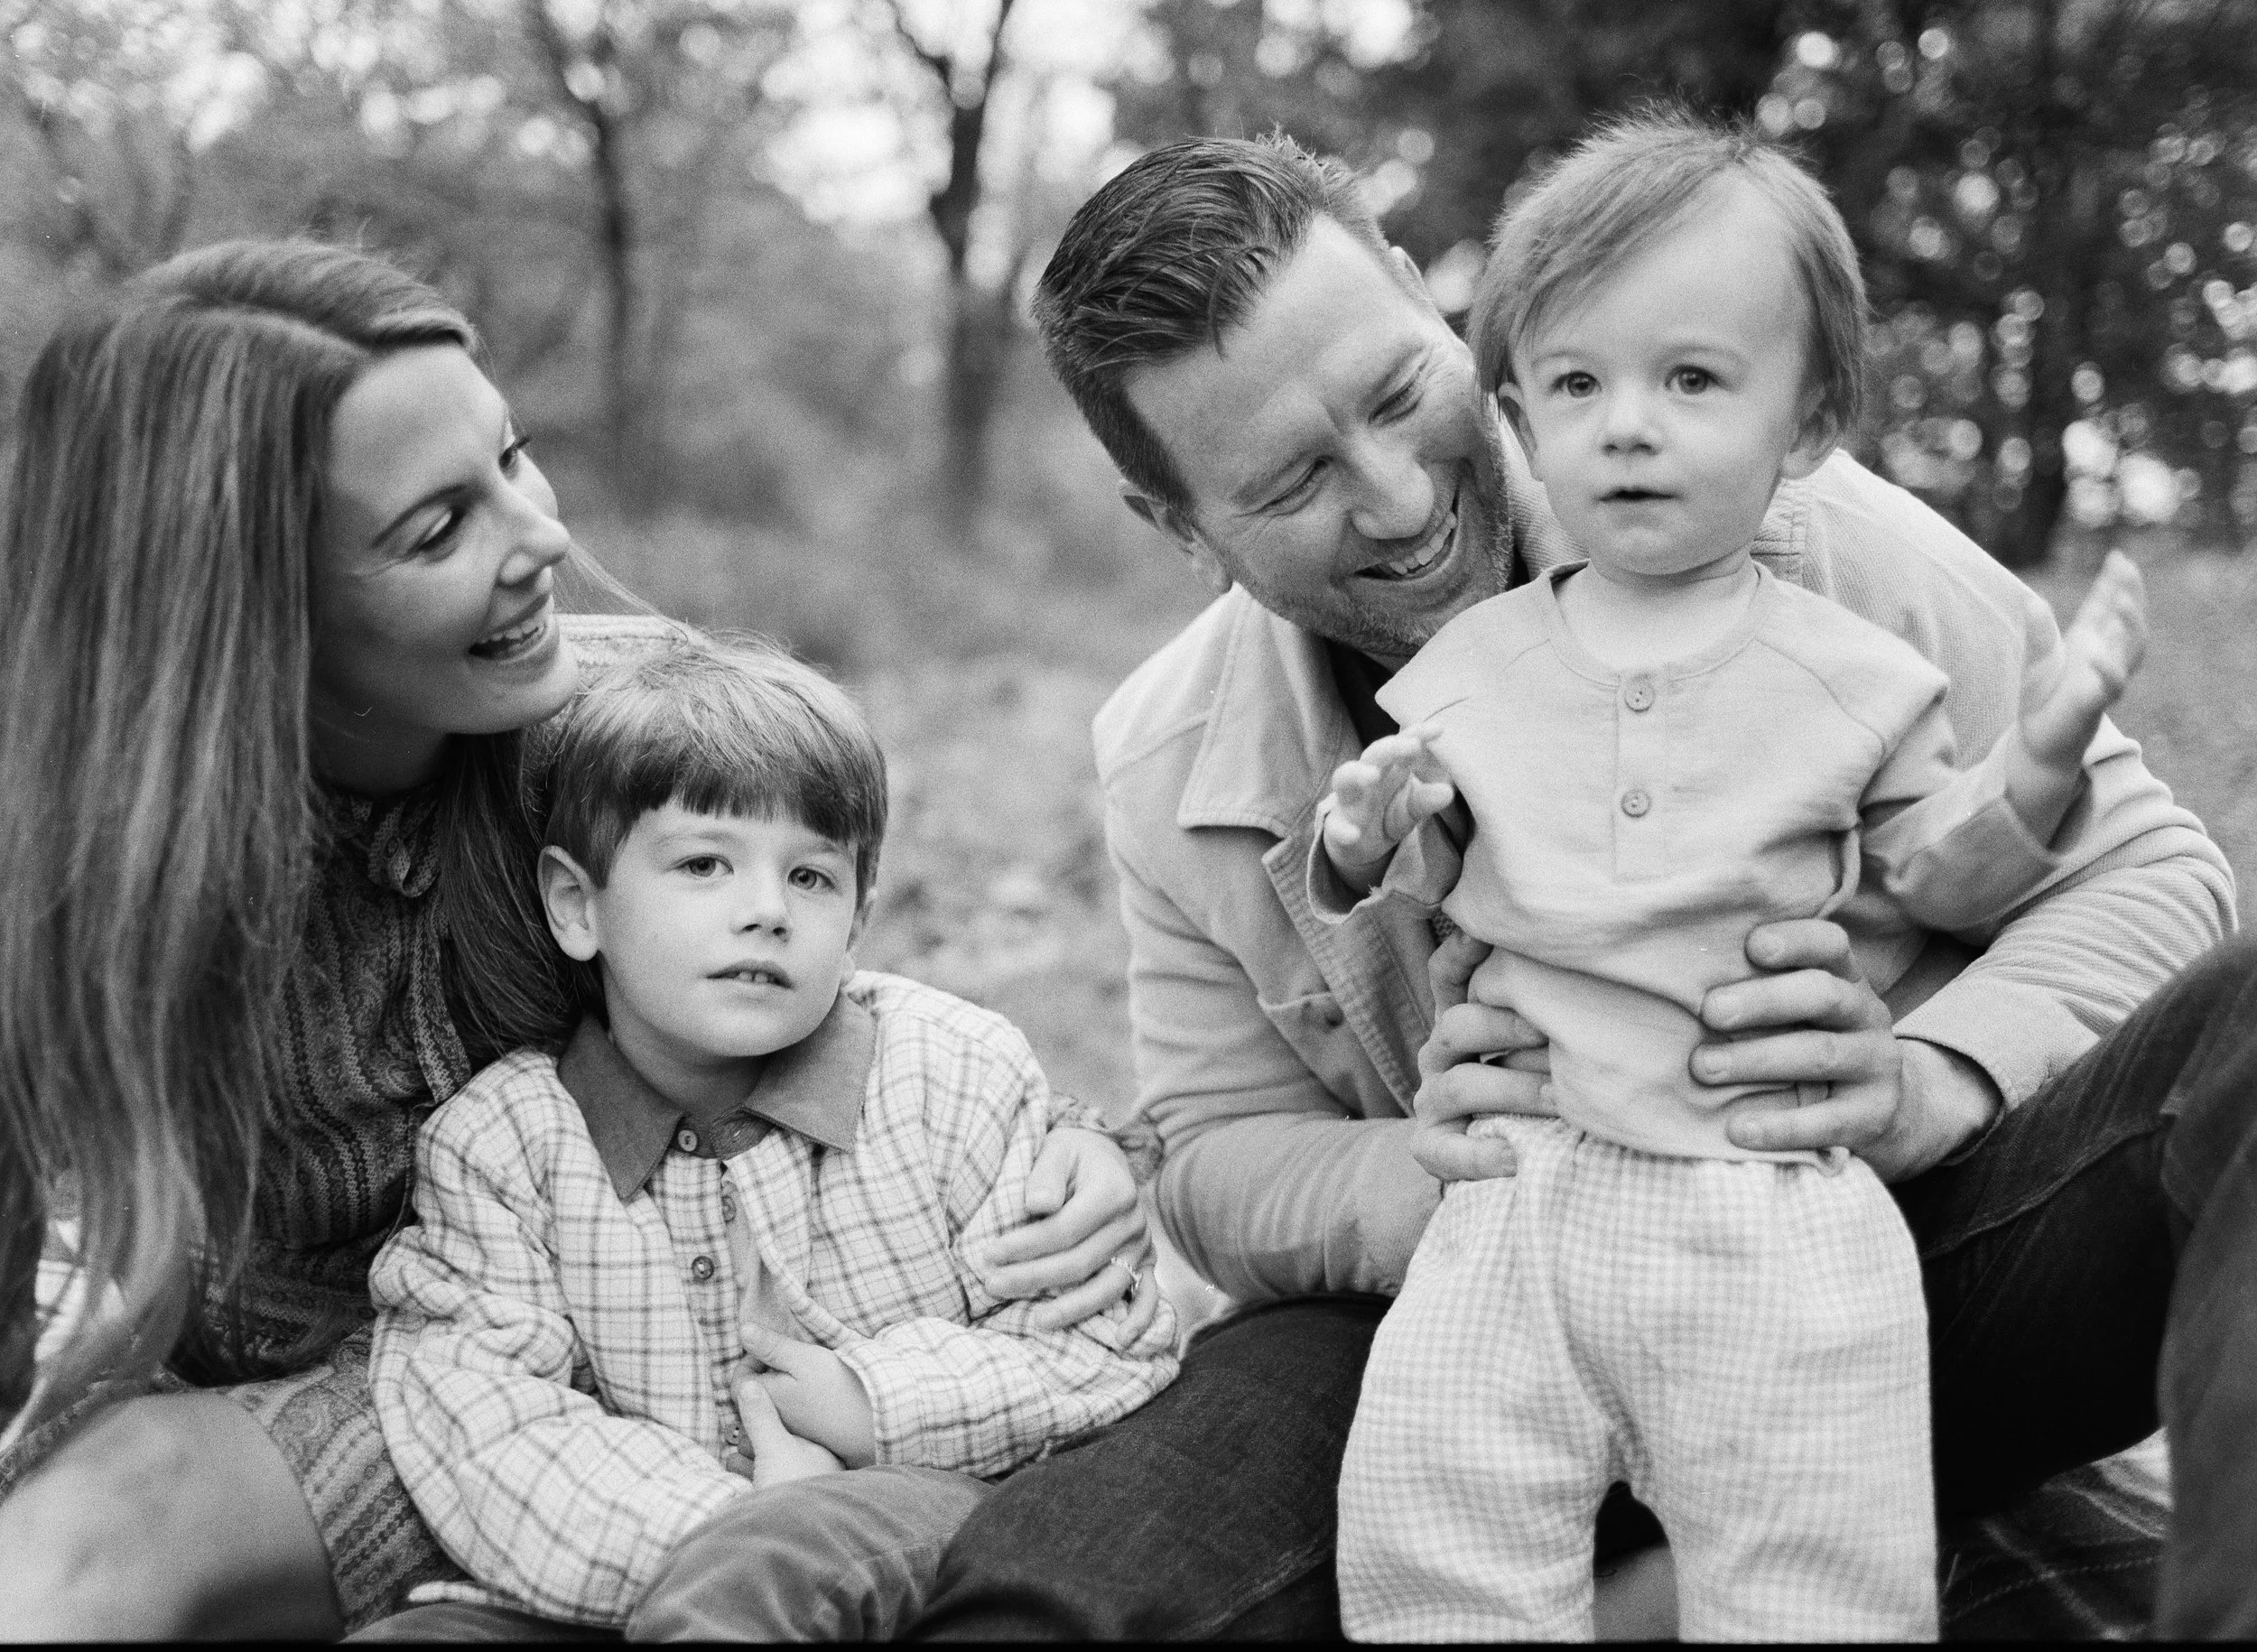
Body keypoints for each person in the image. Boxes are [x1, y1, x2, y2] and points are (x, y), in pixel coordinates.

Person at [908, 134, 2244, 1639]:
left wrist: (1933, 1077)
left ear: (1427, 300)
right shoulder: (1166, 759)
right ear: (1179, 528)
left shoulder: (1813, 546)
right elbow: (1214, 1152)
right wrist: (1418, 1170)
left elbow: (2154, 875)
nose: (1401, 495)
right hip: (1467, 1335)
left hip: (1866, 1267)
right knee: (1055, 1597)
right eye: (1291, 482)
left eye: (1401, 392)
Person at [0, 238, 1156, 1639]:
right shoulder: (84, 871)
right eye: (437, 529)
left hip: (662, 1349)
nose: (539, 535)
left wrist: (1091, 1135)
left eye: (513, 456)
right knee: (72, 1542)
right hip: (389, 1394)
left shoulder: (607, 736)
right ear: (249, 615)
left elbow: (850, 1012)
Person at [1316, 116, 2145, 1640]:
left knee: (1816, 1564)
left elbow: (1939, 868)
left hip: (1761, 1202)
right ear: (1517, 414)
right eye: (1578, 384)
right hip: (1523, 1204)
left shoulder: (1853, 669)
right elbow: (1438, 863)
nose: (1628, 426)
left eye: (1691, 380)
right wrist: (1370, 831)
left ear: (1809, 419)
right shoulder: (1472, 662)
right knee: (1437, 1535)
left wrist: (2035, 763)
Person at [358, 635, 1179, 1639]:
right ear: (579, 905)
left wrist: (871, 1403)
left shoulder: (950, 1071)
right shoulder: (502, 1148)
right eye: (704, 863)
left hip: (913, 1524)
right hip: (616, 1559)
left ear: (861, 914)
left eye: (811, 878)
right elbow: (484, 1428)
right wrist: (733, 1518)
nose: (764, 912)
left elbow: (1105, 1346)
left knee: (779, 1568)